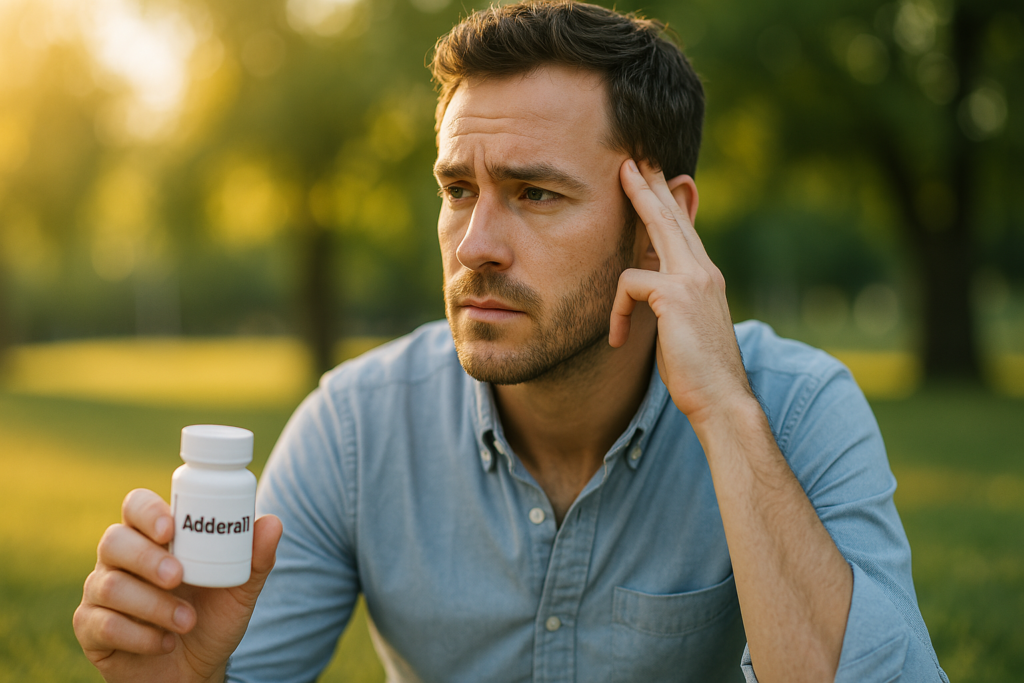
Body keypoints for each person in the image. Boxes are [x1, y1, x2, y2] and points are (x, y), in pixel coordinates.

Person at [73, 2, 949, 681]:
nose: (477, 242)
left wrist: (722, 410)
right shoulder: (355, 427)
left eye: (535, 193)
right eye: (459, 188)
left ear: (660, 225)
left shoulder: (793, 409)